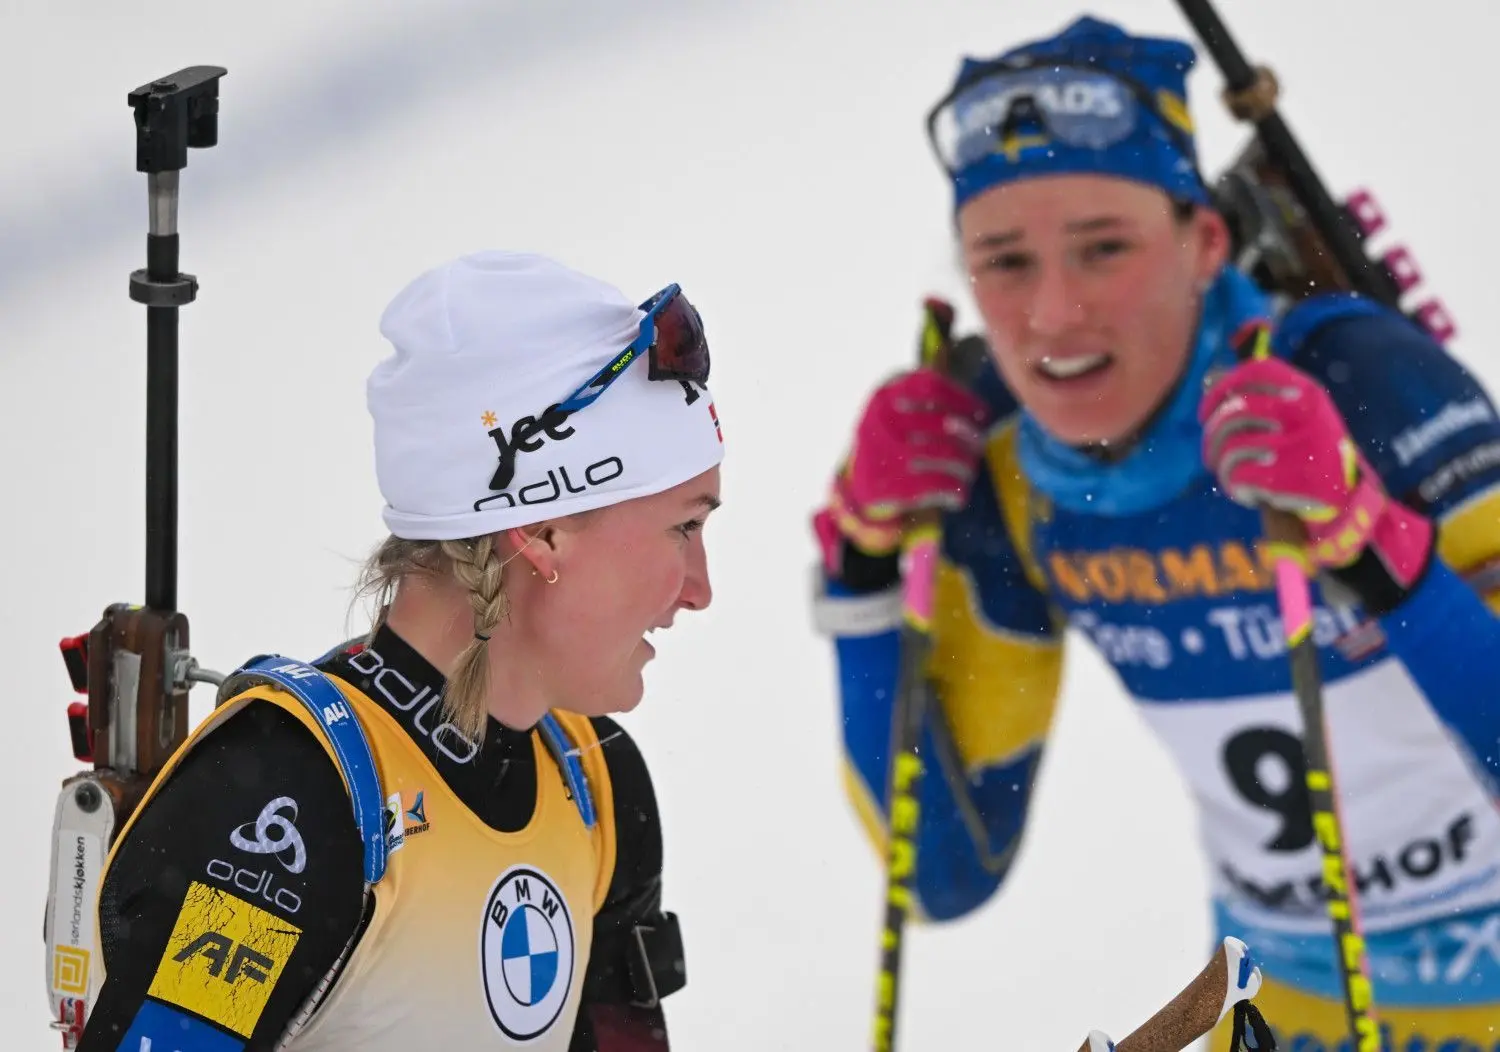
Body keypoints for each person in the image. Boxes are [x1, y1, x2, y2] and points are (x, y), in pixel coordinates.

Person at [811, 14, 1500, 1050]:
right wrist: (865, 570)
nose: (1051, 312)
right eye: (1002, 259)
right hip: (1283, 1010)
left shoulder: (1360, 379)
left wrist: (1378, 547)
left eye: (1104, 248)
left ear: (1204, 240)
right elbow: (943, 867)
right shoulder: (999, 460)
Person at [75, 249, 725, 1051]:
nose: (700, 588)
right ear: (544, 532)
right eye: (684, 527)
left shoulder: (595, 775)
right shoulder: (289, 801)